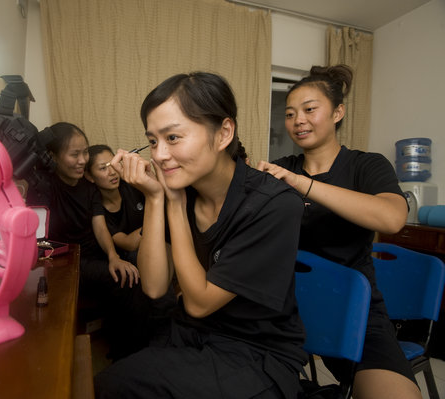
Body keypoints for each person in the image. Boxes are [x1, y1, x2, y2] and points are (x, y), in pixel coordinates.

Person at [94, 72, 308, 399]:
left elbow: (199, 303)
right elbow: (153, 286)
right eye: (153, 141)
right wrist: (154, 198)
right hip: (194, 337)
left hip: (255, 355)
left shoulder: (274, 205)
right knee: (109, 379)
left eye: (173, 138)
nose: (160, 154)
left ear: (223, 133)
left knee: (113, 386)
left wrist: (175, 205)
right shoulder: (185, 187)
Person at [257, 64, 420, 399]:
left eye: (309, 110)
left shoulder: (367, 165)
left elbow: (391, 218)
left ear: (337, 112)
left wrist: (303, 184)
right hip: (288, 307)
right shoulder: (281, 169)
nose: (298, 120)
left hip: (355, 309)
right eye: (290, 114)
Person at [26, 122, 149, 359]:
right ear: (53, 157)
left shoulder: (88, 187)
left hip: (93, 255)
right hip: (64, 260)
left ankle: (127, 349)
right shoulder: (44, 186)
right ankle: (127, 352)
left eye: (85, 152)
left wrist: (113, 257)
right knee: (125, 282)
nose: (83, 160)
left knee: (129, 272)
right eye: (74, 154)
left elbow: (99, 224)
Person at [85, 144, 145, 264]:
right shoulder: (98, 212)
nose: (112, 172)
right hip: (131, 256)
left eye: (113, 164)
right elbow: (129, 244)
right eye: (103, 168)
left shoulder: (131, 185)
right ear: (89, 176)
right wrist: (157, 221)